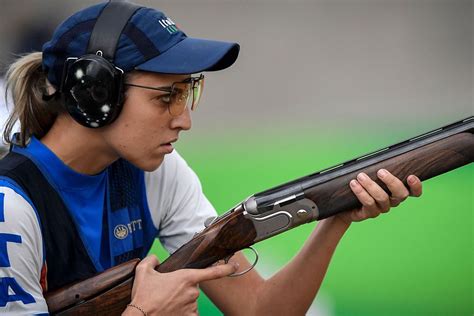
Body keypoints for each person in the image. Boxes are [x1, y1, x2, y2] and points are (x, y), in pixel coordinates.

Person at [0, 1, 422, 315]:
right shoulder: (11, 207)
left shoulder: (158, 174)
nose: (184, 120)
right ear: (96, 93)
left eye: (188, 92)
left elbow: (260, 309)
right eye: (168, 96)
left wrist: (336, 217)